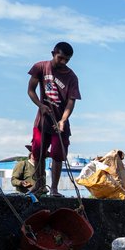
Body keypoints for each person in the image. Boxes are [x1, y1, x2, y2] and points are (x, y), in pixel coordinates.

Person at [27, 42, 81, 197]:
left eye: (66, 60)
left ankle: (54, 189)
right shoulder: (40, 67)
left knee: (57, 155)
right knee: (38, 152)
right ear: (53, 54)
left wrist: (63, 120)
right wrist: (40, 105)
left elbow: (71, 101)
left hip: (60, 124)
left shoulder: (71, 77)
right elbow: (31, 90)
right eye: (60, 58)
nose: (63, 62)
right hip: (42, 122)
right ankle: (40, 186)